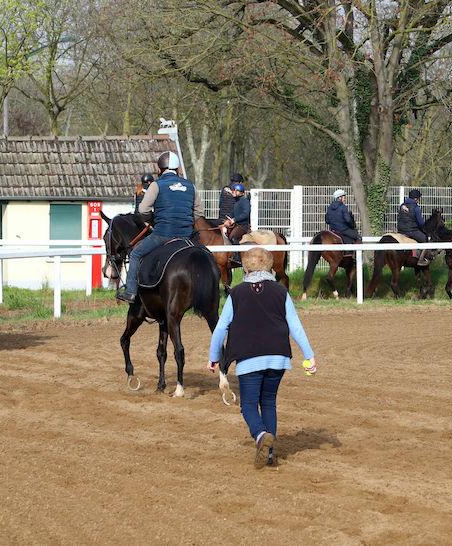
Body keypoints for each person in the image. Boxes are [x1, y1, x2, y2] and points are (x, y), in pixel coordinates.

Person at [207, 247, 316, 469]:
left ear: (245, 268)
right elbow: (295, 325)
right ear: (269, 266)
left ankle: (260, 436)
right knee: (268, 403)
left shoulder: (236, 294)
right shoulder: (280, 291)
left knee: (248, 405)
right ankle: (270, 453)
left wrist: (213, 356)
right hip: (278, 357)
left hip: (248, 358)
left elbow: (220, 328)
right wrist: (309, 356)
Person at [115, 151, 203, 303]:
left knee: (135, 254)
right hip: (187, 235)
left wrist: (153, 219)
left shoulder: (156, 185)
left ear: (160, 169)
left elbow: (143, 210)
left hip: (163, 234)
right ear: (177, 169)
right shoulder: (191, 186)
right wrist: (185, 221)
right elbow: (199, 212)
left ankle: (130, 292)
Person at [397, 188, 433, 267]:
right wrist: (424, 229)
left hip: (400, 230)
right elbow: (420, 223)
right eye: (419, 198)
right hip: (411, 230)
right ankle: (421, 259)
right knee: (426, 240)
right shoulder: (416, 208)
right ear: (416, 198)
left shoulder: (402, 206)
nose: (419, 200)